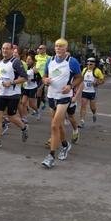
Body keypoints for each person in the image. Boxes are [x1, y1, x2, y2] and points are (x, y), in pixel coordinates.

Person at [41, 39, 83, 168]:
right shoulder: (50, 60)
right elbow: (44, 76)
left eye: (61, 46)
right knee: (58, 125)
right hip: (51, 96)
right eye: (56, 46)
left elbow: (79, 78)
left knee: (54, 125)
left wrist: (70, 86)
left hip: (64, 97)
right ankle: (65, 145)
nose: (58, 48)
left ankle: (51, 156)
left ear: (66, 48)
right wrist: (45, 80)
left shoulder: (72, 62)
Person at [0, 42, 29, 149]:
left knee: (11, 117)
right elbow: (3, 76)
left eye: (7, 49)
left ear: (11, 50)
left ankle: (24, 128)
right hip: (1, 93)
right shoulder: (1, 62)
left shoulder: (16, 63)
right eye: (3, 48)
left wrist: (10, 83)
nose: (5, 50)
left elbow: (25, 78)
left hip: (13, 94)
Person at [77, 57, 105, 128]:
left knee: (92, 107)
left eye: (91, 64)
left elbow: (102, 80)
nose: (89, 65)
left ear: (94, 64)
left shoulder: (97, 71)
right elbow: (81, 78)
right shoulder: (84, 70)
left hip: (93, 91)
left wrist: (97, 82)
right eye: (88, 64)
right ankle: (82, 121)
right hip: (85, 91)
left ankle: (94, 113)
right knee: (83, 106)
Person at [35, 44, 50, 111]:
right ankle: (44, 101)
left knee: (39, 91)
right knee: (38, 92)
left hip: (43, 77)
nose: (40, 49)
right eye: (39, 48)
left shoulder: (48, 58)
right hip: (36, 76)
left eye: (41, 48)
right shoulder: (36, 57)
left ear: (45, 49)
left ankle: (37, 109)